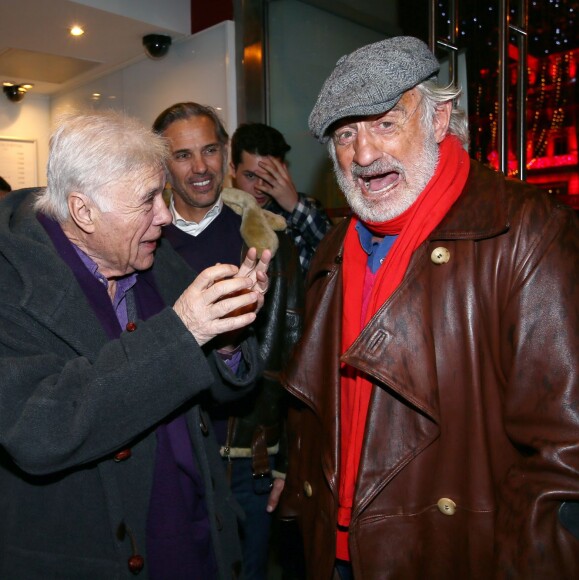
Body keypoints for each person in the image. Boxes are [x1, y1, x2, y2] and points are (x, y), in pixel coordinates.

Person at [279, 36, 579, 579]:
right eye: (346, 134)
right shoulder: (331, 249)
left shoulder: (525, 230)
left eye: (386, 123)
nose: (364, 155)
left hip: (456, 553)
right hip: (336, 551)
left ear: (440, 119)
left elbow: (565, 454)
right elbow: (314, 408)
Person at [0, 110, 272, 579]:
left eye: (163, 195)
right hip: (90, 555)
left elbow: (219, 393)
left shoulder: (150, 254)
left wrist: (226, 337)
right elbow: (39, 433)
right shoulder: (11, 281)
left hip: (196, 536)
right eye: (147, 201)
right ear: (83, 211)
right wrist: (184, 330)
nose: (165, 217)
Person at [152, 103, 304, 580]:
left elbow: (297, 353)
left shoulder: (265, 241)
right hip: (166, 456)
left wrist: (290, 463)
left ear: (226, 153)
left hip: (247, 461)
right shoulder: (141, 245)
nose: (200, 167)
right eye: (182, 155)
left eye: (210, 150)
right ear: (162, 165)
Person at [230, 122, 333, 274]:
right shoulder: (223, 212)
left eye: (269, 176)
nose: (260, 187)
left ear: (283, 171)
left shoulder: (306, 209)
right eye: (250, 176)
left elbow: (338, 255)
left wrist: (295, 205)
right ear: (233, 170)